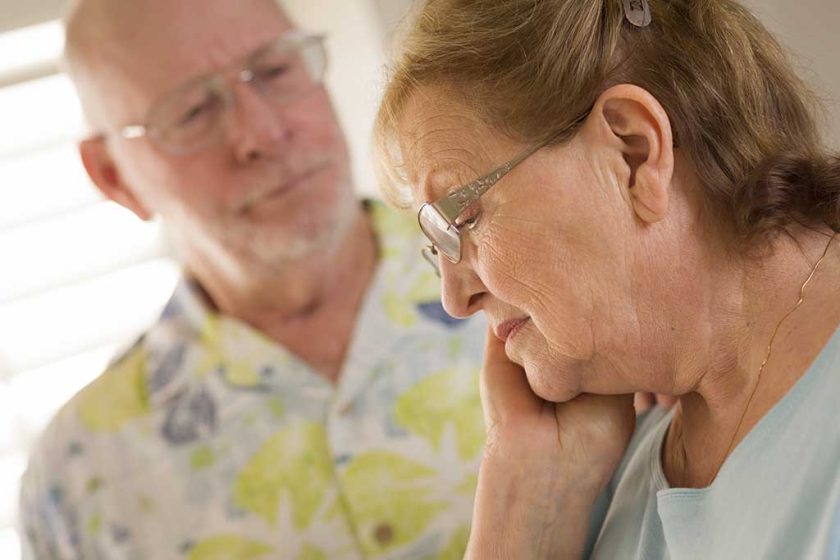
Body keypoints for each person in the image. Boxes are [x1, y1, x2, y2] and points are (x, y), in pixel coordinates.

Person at [18, 0, 487, 558]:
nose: (262, 133)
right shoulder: (75, 482)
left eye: (275, 70)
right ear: (114, 177)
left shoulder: (526, 287)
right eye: (192, 112)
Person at [374, 0, 840, 557]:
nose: (454, 299)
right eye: (438, 247)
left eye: (463, 220)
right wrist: (523, 512)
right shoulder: (597, 471)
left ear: (633, 153)